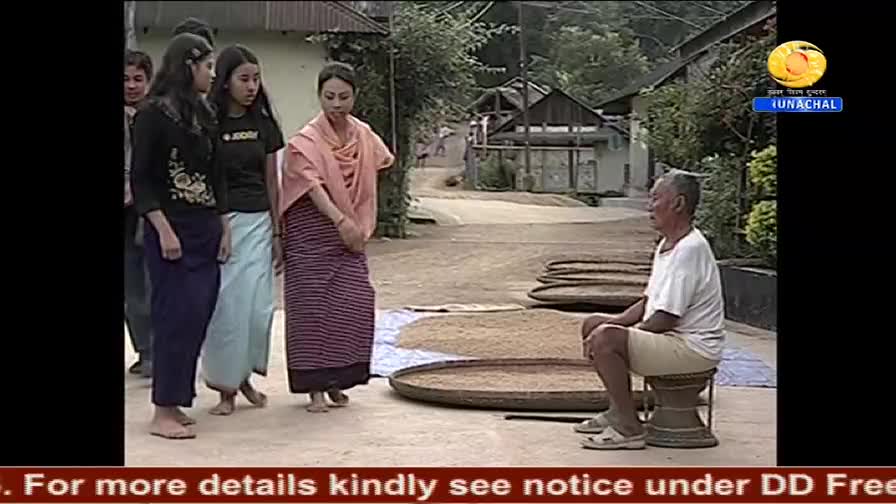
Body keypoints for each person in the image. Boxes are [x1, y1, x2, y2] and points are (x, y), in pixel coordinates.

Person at [577, 169, 725, 450]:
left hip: (693, 349)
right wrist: (613, 323)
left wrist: (614, 335)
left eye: (656, 198)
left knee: (606, 337)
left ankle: (629, 428)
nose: (649, 205)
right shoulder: (668, 245)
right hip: (673, 342)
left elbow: (666, 318)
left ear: (678, 204)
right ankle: (616, 412)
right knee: (594, 325)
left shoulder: (689, 249)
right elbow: (650, 301)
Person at [280, 62, 394, 413]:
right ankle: (314, 388)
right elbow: (312, 187)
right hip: (311, 229)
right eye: (328, 97)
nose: (336, 104)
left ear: (354, 96)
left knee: (354, 301)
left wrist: (357, 220)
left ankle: (338, 381)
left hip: (348, 230)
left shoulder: (363, 135)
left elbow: (379, 167)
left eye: (343, 97)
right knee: (312, 308)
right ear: (319, 97)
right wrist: (340, 220)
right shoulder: (305, 141)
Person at [131, 33, 229, 439]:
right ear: (188, 65)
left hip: (205, 227)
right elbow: (142, 179)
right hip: (170, 231)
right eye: (207, 65)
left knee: (197, 315)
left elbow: (217, 176)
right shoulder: (152, 114)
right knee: (173, 317)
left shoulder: (204, 113)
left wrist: (224, 227)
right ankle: (163, 410)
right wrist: (163, 228)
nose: (211, 73)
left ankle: (179, 399)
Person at [202, 45, 285, 416]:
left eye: (256, 78)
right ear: (225, 81)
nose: (251, 86)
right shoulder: (209, 123)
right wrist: (218, 225)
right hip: (224, 225)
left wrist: (278, 232)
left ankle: (245, 376)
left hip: (260, 224)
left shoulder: (265, 125)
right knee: (228, 309)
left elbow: (272, 181)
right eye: (243, 79)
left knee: (258, 310)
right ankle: (225, 390)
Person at [124, 49, 154, 378]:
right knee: (130, 285)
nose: (132, 86)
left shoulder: (157, 114)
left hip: (151, 209)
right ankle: (144, 348)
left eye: (138, 79)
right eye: (126, 79)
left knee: (152, 281)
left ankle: (158, 351)